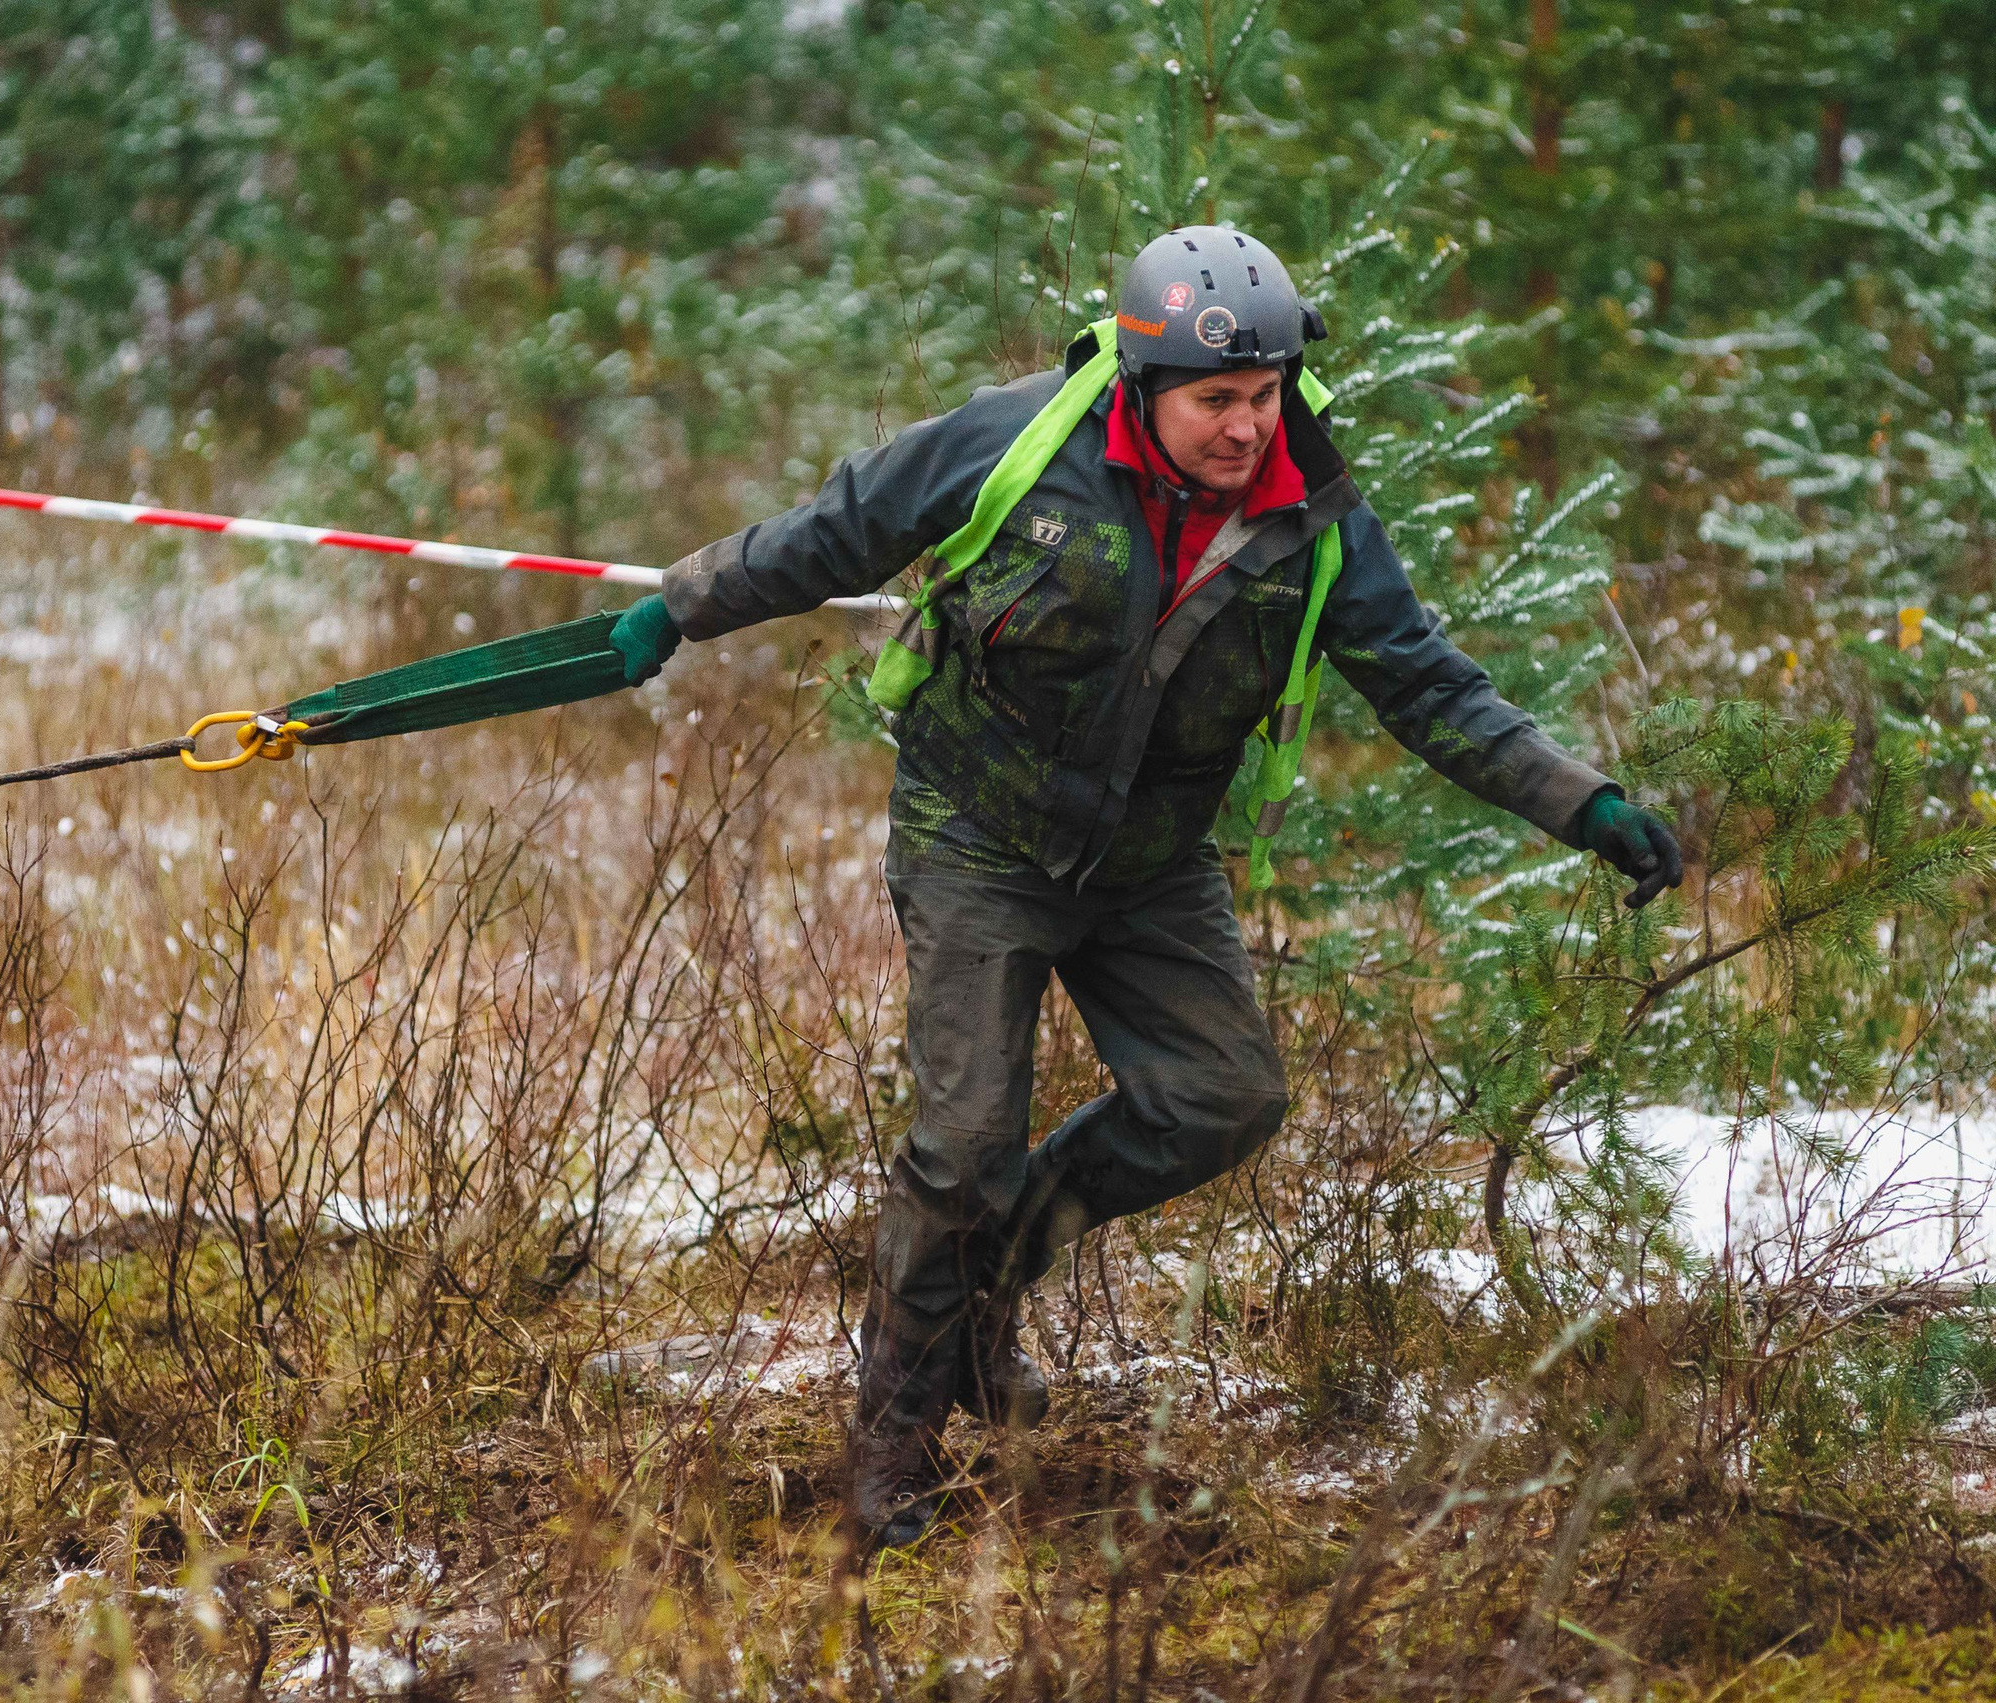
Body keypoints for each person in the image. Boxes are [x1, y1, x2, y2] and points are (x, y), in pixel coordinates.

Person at [604, 227, 1680, 1548]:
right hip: (980, 835)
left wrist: (1585, 804)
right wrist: (684, 604)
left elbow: (1428, 685)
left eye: (1265, 396)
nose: (1246, 427)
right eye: (1216, 401)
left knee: (1224, 1099)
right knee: (964, 1144)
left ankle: (999, 1265)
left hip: (1151, 865)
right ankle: (896, 1436)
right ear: (1142, 386)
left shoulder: (1313, 511)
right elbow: (843, 529)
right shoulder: (1018, 443)